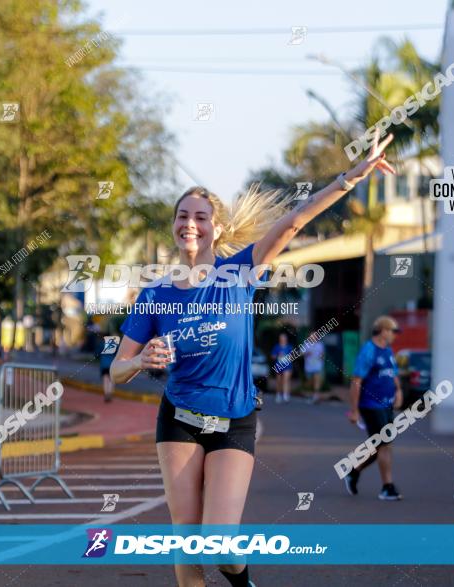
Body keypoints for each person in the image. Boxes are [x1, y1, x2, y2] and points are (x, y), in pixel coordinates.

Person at [110, 134, 394, 587]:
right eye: (183, 216)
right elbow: (116, 372)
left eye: (201, 217)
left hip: (235, 418)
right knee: (187, 540)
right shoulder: (154, 295)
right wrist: (141, 358)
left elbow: (294, 222)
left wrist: (349, 179)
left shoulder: (238, 271)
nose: (191, 224)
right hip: (179, 419)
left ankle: (242, 582)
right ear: (174, 225)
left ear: (216, 229)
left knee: (220, 543)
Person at [345, 315, 404, 501]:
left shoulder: (388, 350)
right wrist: (354, 410)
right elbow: (356, 381)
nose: (395, 335)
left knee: (381, 445)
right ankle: (387, 487)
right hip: (371, 404)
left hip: (387, 404)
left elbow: (393, 373)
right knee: (383, 444)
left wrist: (399, 390)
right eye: (393, 331)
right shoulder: (369, 351)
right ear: (383, 331)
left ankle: (354, 470)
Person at [270, 333, 294, 404]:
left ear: (286, 339)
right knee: (279, 380)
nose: (283, 339)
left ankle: (285, 395)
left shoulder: (289, 347)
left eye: (284, 338)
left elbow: (292, 356)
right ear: (279, 339)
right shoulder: (276, 347)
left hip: (287, 366)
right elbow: (272, 356)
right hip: (279, 366)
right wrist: (277, 355)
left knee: (286, 380)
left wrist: (288, 356)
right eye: (281, 338)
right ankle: (278, 394)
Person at [303, 334, 326, 404]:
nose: (313, 337)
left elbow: (323, 354)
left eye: (315, 336)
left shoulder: (320, 345)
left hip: (318, 365)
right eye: (312, 336)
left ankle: (316, 396)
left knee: (317, 379)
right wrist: (306, 353)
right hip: (309, 366)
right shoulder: (306, 344)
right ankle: (311, 395)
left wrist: (321, 357)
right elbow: (301, 353)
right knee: (310, 381)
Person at [98, 334, 117, 403]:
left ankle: (106, 394)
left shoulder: (102, 344)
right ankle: (110, 393)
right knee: (111, 380)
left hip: (104, 364)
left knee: (105, 380)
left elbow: (97, 353)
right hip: (112, 364)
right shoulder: (115, 345)